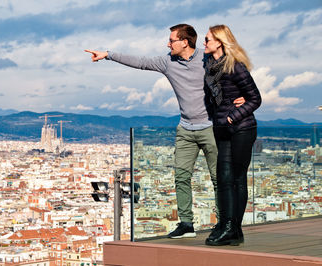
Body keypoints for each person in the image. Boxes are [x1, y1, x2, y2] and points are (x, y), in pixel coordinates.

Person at [85, 24, 243, 239]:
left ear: (184, 42)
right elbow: (141, 62)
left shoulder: (206, 58)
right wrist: (108, 55)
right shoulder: (167, 62)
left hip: (210, 127)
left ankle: (223, 223)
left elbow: (234, 69)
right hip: (185, 128)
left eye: (171, 40)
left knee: (218, 179)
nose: (168, 44)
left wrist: (241, 97)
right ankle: (186, 224)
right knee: (181, 176)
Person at [202, 25, 262, 246]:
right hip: (222, 129)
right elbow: (213, 99)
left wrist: (232, 117)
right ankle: (229, 227)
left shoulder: (235, 66)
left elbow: (255, 98)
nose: (204, 43)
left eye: (208, 39)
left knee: (237, 178)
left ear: (219, 41)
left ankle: (234, 228)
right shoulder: (211, 67)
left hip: (242, 129)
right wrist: (217, 118)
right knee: (225, 179)